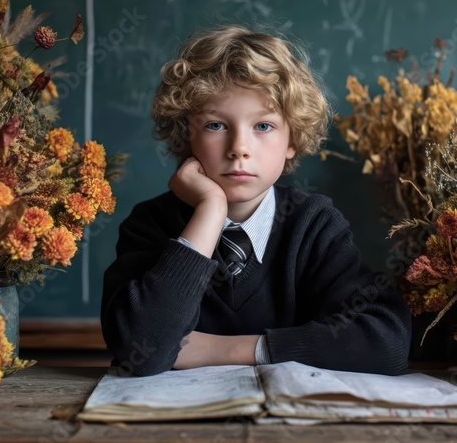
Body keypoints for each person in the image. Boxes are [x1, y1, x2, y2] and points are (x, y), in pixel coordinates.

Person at [101, 25, 412, 377]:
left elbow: (388, 343)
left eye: (263, 126)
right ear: (187, 134)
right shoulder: (151, 225)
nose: (239, 148)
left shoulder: (313, 225)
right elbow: (139, 352)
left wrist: (228, 349)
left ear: (292, 139)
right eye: (216, 125)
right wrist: (210, 209)